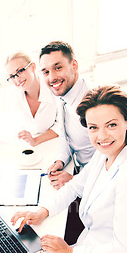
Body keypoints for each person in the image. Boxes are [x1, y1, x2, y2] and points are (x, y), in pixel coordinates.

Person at [11, 85, 127, 253]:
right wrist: (43, 210)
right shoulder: (105, 154)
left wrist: (69, 252)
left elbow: (123, 251)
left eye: (112, 125)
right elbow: (76, 185)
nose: (102, 136)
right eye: (93, 127)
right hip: (92, 246)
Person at [39, 41, 95, 189]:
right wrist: (61, 160)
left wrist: (74, 181)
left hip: (95, 182)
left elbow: (110, 159)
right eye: (46, 72)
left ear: (74, 66)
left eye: (58, 68)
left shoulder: (92, 105)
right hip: (80, 171)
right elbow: (65, 134)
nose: (52, 78)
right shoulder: (64, 95)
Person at [0, 51, 60, 146]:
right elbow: (10, 123)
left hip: (54, 144)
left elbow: (61, 125)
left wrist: (36, 140)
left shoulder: (54, 88)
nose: (17, 79)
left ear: (33, 67)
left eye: (20, 71)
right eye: (12, 76)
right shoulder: (12, 94)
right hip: (29, 148)